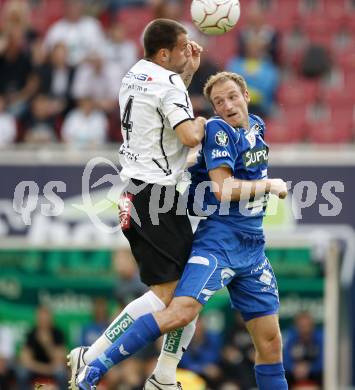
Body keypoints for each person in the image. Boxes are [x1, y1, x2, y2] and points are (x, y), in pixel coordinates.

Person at [75, 71, 289, 390]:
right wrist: (269, 185)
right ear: (214, 110)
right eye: (219, 102)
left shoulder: (257, 125)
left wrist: (190, 163)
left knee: (270, 343)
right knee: (179, 311)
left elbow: (196, 160)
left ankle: (161, 377)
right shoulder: (218, 130)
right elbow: (223, 188)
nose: (227, 104)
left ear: (246, 95)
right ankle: (94, 367)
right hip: (219, 241)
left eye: (232, 96)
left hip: (252, 247)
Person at [68, 18, 206, 390]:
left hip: (134, 193)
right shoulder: (169, 82)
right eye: (182, 49)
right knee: (178, 298)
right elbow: (190, 134)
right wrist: (211, 123)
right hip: (156, 198)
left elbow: (162, 109)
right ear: (165, 53)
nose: (187, 52)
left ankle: (161, 374)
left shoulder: (135, 73)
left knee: (183, 297)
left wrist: (187, 73)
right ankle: (98, 358)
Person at [16, 305, 67, 390]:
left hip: (53, 368)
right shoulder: (31, 334)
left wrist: (47, 344)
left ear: (51, 318)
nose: (44, 321)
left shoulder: (58, 333)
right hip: (36, 368)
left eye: (46, 318)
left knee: (62, 372)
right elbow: (26, 360)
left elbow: (60, 359)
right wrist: (45, 369)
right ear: (37, 319)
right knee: (22, 372)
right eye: (41, 318)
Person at [283, 311, 323, 388]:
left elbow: (324, 361)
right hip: (295, 372)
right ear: (296, 327)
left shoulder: (320, 338)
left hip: (314, 372)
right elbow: (285, 360)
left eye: (307, 326)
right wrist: (294, 368)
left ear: (312, 326)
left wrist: (309, 368)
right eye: (301, 326)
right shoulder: (291, 338)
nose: (305, 330)